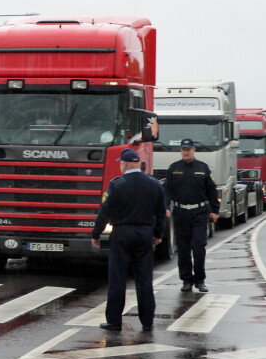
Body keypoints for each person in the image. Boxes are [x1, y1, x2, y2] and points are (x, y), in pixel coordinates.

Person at [91, 148, 166, 331]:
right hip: (144, 233)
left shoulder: (117, 184)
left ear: (124, 164)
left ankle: (114, 321)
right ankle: (147, 321)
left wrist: (96, 233)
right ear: (139, 164)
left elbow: (104, 211)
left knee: (118, 277)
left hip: (122, 233)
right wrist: (158, 234)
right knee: (144, 279)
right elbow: (161, 213)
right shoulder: (154, 184)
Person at [163, 138, 219, 293]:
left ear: (194, 150)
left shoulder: (203, 168)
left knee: (199, 245)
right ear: (180, 151)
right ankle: (186, 280)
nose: (186, 152)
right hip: (181, 213)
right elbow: (167, 189)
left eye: (188, 149)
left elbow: (212, 191)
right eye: (183, 149)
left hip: (199, 212)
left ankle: (200, 280)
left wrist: (215, 210)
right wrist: (166, 206)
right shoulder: (174, 168)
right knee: (183, 248)